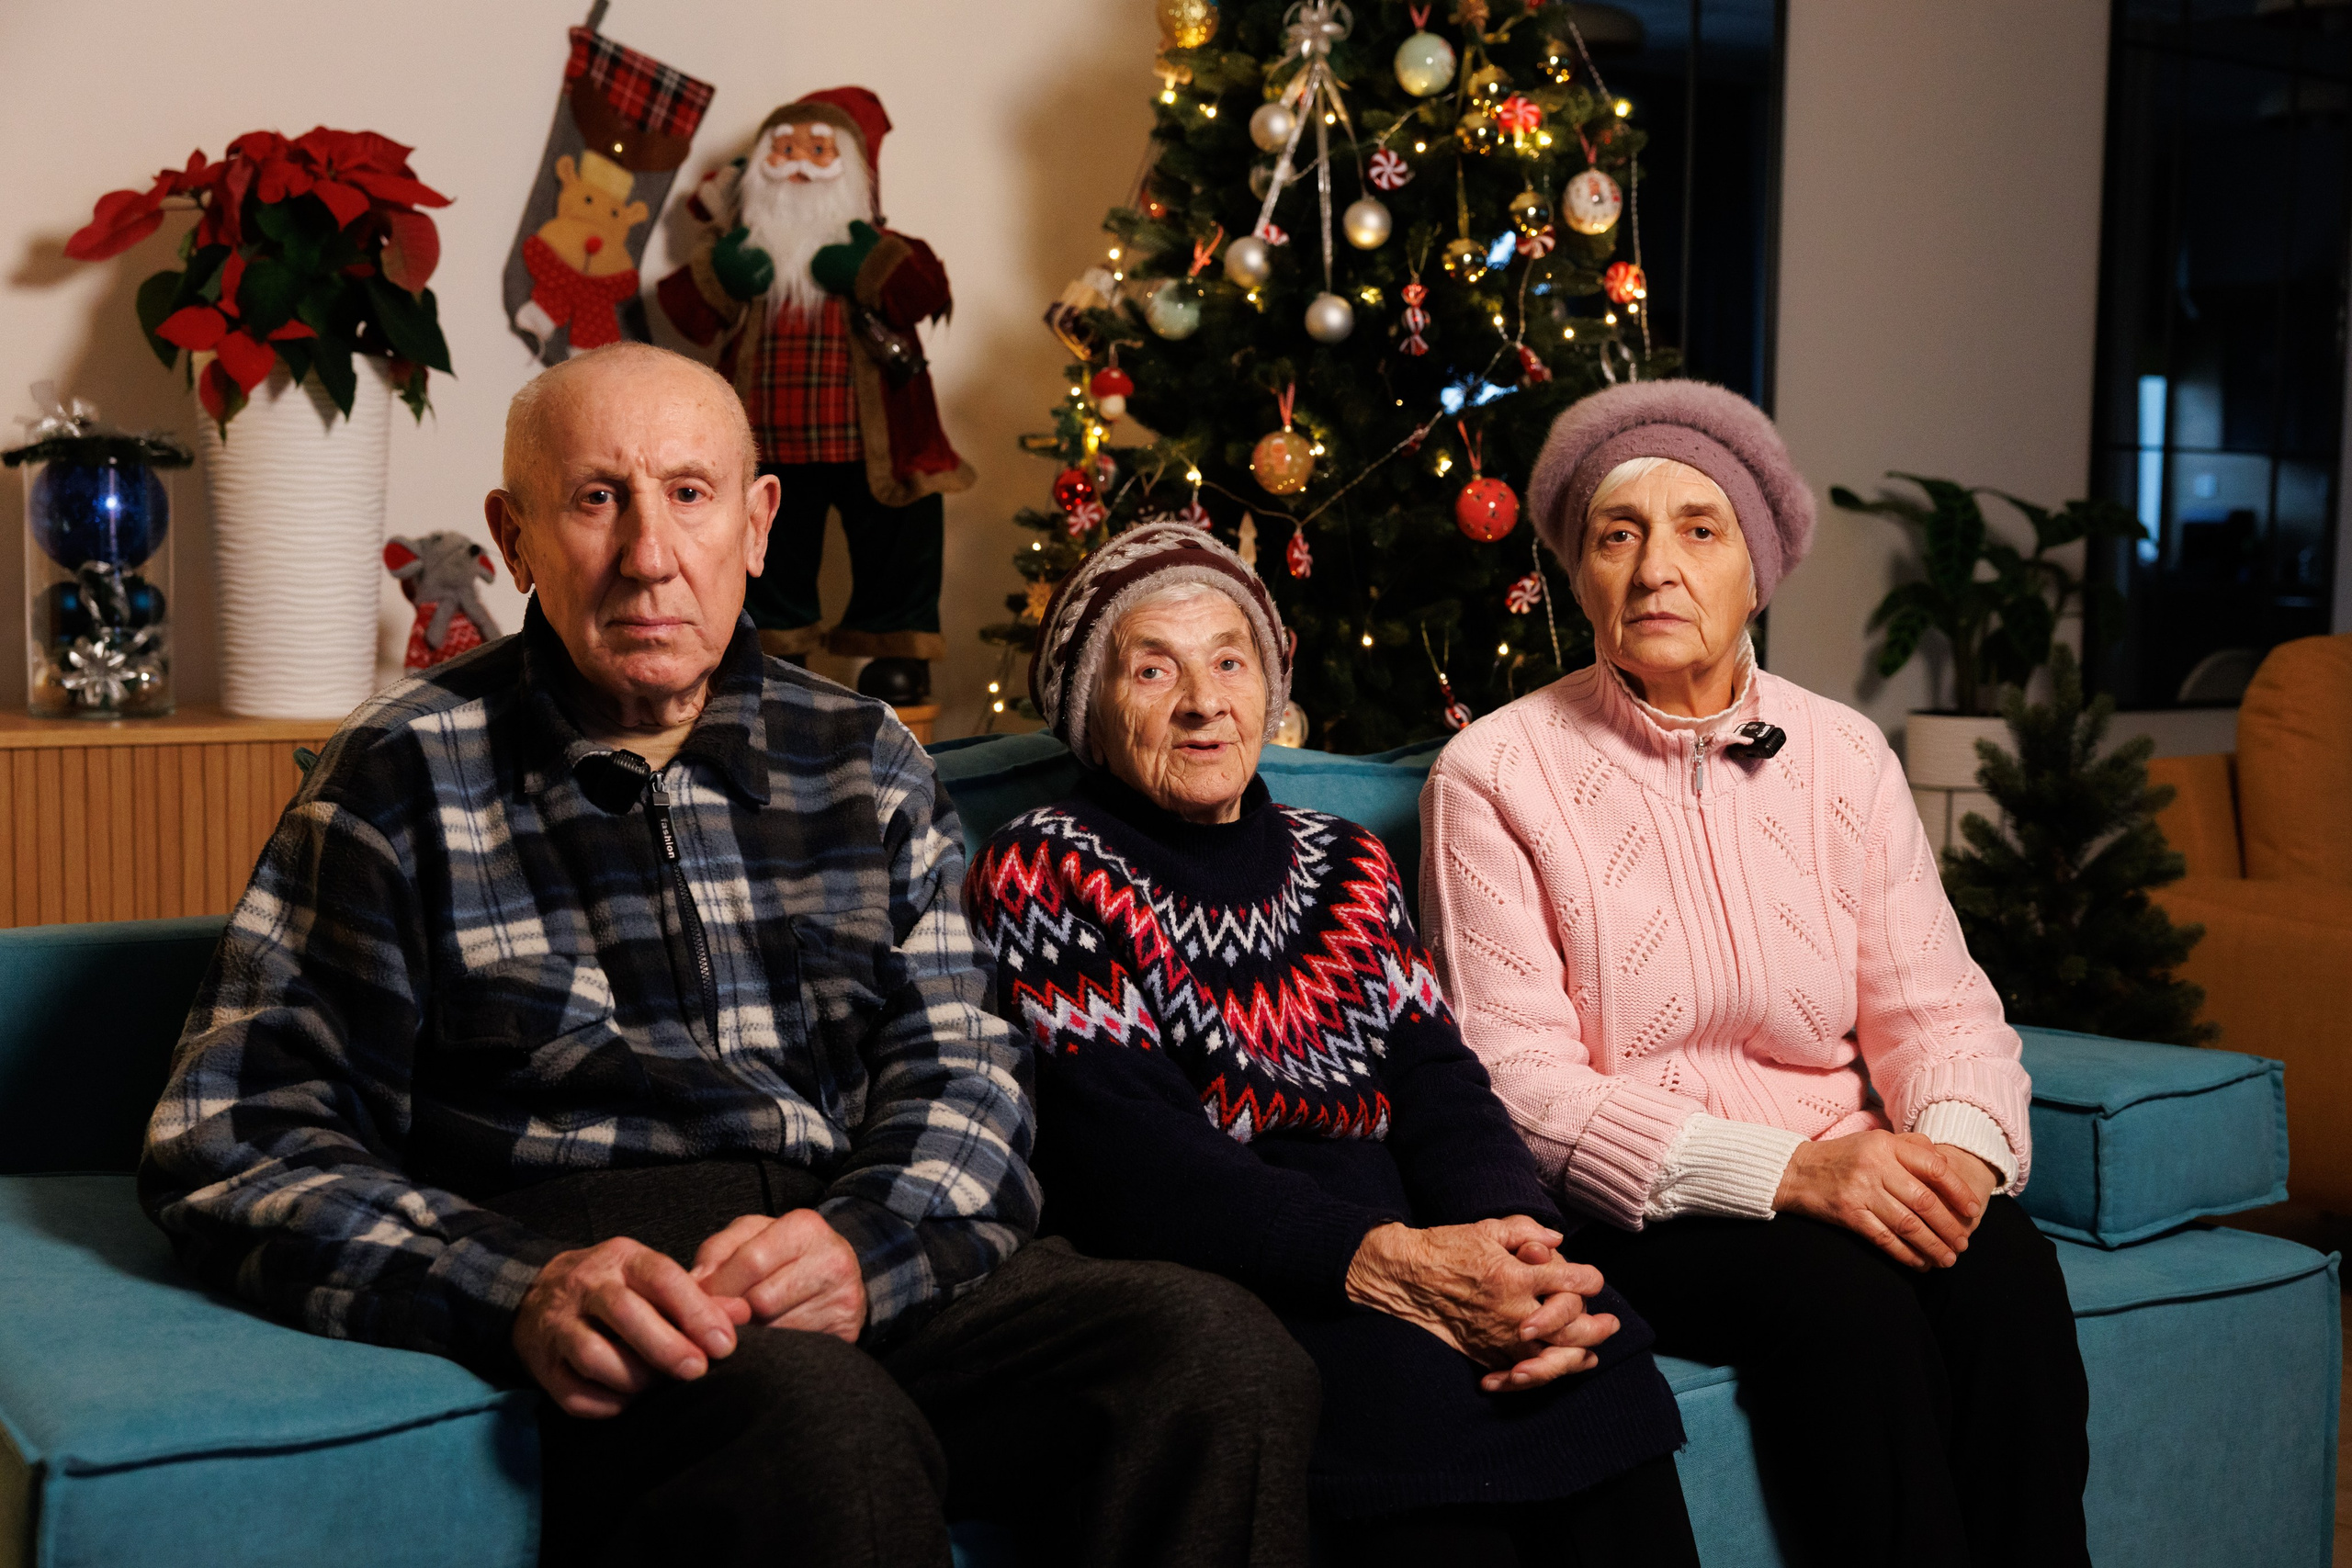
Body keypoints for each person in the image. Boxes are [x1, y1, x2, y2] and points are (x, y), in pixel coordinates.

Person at [140, 344, 1316, 1568]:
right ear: (515, 534)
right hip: (620, 1292)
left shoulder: (862, 754)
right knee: (826, 1427)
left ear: (757, 524)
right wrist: (514, 1285)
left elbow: (969, 1072)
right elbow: (235, 1135)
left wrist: (870, 1245)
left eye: (691, 494)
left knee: (1220, 1354)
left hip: (860, 1238)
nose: (650, 553)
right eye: (598, 498)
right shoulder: (401, 771)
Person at [1419, 380, 2091, 1568]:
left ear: (1757, 569)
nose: (1655, 568)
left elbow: (1939, 1010)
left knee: (2005, 1271)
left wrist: (1948, 1153)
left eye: (1699, 527)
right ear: (1579, 576)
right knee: (1847, 1305)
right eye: (1616, 535)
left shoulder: (1840, 751)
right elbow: (1516, 1080)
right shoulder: (1495, 772)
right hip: (1655, 1197)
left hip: (1860, 1158)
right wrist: (1791, 1170)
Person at [964, 523, 1701, 1568]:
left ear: (1269, 685)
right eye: (1151, 668)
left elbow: (1439, 1079)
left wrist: (1517, 1244)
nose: (1202, 701)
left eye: (1229, 660)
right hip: (1242, 1261)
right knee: (1419, 1392)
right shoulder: (1043, 869)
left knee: (1595, 1342)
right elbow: (1128, 1156)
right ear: (1091, 707)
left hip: (1412, 1235)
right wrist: (1386, 1264)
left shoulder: (1343, 861)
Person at [657, 86, 972, 705]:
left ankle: (896, 652)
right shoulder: (746, 251)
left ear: (851, 168)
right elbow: (687, 316)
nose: (799, 160)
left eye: (819, 149)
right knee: (770, 549)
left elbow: (927, 290)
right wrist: (723, 268)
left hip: (874, 442)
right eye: (786, 148)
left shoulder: (877, 247)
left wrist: (870, 264)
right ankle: (774, 650)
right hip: (768, 440)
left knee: (898, 540)